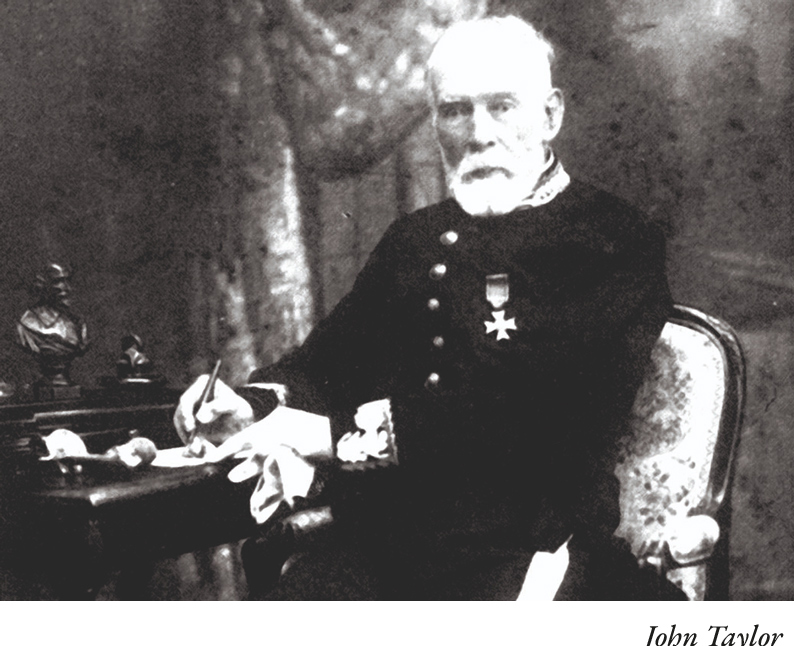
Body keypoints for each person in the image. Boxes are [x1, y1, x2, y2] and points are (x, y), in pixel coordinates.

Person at [174, 16, 682, 600]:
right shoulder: (413, 241)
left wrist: (333, 437)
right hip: (390, 548)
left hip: (530, 553)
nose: (479, 134)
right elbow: (325, 365)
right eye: (455, 111)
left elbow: (529, 423)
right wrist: (251, 405)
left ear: (550, 116)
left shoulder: (612, 240)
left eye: (502, 107)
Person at [17, 263, 89, 386]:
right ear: (42, 286)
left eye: (68, 281)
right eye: (58, 281)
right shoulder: (27, 324)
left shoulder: (77, 324)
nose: (67, 288)